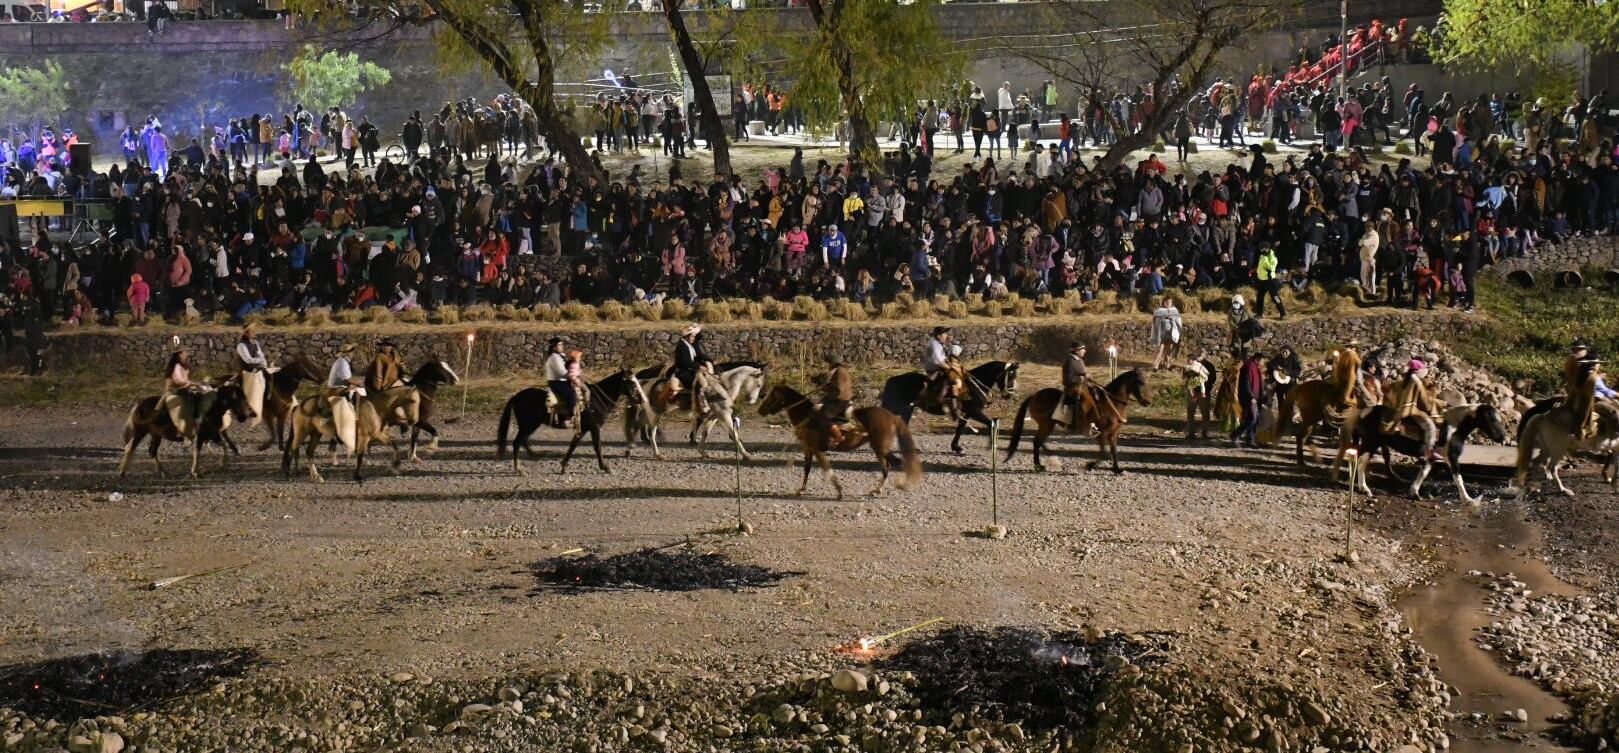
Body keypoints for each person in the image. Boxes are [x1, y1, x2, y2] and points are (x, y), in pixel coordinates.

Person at [1379, 358, 1443, 452]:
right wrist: (1433, 405)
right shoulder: (1417, 382)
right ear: (1418, 370)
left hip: (1398, 410)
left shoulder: (1403, 381)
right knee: (1431, 427)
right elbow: (1424, 401)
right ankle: (1429, 452)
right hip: (1411, 411)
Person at [160, 348, 211, 431]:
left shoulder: (183, 364)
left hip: (185, 387)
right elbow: (180, 381)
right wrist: (194, 383)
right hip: (179, 389)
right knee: (197, 395)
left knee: (207, 389)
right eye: (185, 351)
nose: (187, 353)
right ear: (180, 354)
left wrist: (198, 384)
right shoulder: (176, 366)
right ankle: (194, 420)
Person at [670, 324, 710, 414]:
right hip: (682, 372)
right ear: (687, 336)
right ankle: (699, 406)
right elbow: (685, 362)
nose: (693, 338)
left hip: (688, 369)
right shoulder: (682, 346)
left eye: (694, 336)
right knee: (697, 383)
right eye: (692, 336)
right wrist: (698, 366)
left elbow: (693, 359)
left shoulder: (687, 345)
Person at [1564, 339, 1599, 439]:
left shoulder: (1591, 361)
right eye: (1574, 350)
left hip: (1595, 390)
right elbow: (1571, 378)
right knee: (1586, 403)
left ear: (1585, 350)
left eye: (1578, 350)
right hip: (1578, 389)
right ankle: (1581, 428)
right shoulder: (1573, 361)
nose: (1576, 352)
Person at [922, 326, 959, 419]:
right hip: (934, 369)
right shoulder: (935, 345)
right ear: (939, 336)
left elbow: (943, 358)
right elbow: (939, 361)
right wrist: (950, 368)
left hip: (939, 367)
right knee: (951, 381)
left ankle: (952, 404)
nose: (946, 335)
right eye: (944, 334)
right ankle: (947, 404)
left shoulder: (939, 344)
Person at [819, 353, 854, 447]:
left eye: (828, 363)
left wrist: (828, 396)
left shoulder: (839, 372)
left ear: (832, 363)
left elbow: (839, 390)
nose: (827, 366)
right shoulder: (839, 371)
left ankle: (838, 436)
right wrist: (824, 387)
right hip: (840, 399)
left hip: (841, 401)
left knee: (823, 416)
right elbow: (834, 387)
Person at [1062, 341, 1097, 433]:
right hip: (1073, 387)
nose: (1084, 351)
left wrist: (1088, 377)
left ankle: (1093, 421)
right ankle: (1079, 422)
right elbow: (1068, 379)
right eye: (1082, 349)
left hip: (1082, 386)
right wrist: (1083, 377)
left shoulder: (1079, 360)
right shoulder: (1070, 361)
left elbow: (1082, 373)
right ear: (1076, 351)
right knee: (1085, 398)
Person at [1231, 350, 1264, 448]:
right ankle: (1235, 434)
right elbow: (1246, 384)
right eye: (1262, 361)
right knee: (1252, 418)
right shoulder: (1249, 367)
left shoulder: (1254, 367)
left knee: (1255, 418)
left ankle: (1250, 440)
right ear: (1257, 359)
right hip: (1248, 398)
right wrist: (1251, 397)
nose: (1263, 363)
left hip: (1254, 398)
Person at [1184, 351, 1217, 440]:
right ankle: (1191, 433)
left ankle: (1204, 433)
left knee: (1205, 413)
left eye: (1201, 354)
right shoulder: (1191, 365)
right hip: (1192, 391)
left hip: (1203, 393)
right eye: (1198, 354)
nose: (1199, 356)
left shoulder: (1209, 366)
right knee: (1191, 412)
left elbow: (1212, 379)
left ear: (1205, 356)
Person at [543, 337, 574, 428]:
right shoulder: (554, 358)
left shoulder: (561, 355)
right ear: (554, 347)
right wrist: (574, 377)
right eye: (560, 345)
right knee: (571, 392)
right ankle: (568, 417)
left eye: (562, 344)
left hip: (562, 381)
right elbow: (563, 373)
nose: (562, 346)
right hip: (556, 383)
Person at [1150, 296, 1182, 370]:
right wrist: (1163, 318)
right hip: (1161, 334)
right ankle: (1155, 365)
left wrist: (1172, 319)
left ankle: (1167, 365)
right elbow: (1154, 320)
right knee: (1160, 350)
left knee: (1169, 350)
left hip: (1170, 333)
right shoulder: (1159, 310)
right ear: (1164, 302)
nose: (1169, 304)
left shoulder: (1174, 310)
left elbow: (1178, 320)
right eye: (1167, 302)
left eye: (1170, 302)